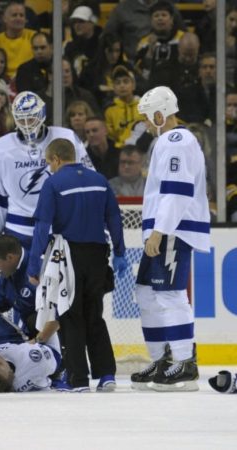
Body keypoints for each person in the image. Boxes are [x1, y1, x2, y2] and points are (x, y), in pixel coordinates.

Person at [27, 138, 128, 392]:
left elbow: (42, 227)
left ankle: (78, 379)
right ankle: (106, 375)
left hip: (68, 256)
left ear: (56, 159)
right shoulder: (100, 181)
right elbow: (114, 218)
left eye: (49, 163)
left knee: (70, 315)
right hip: (98, 255)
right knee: (94, 314)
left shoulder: (53, 184)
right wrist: (120, 251)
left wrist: (33, 265)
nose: (50, 168)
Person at [131, 86, 210, 392]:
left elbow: (176, 192)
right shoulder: (168, 141)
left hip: (172, 229)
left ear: (160, 114)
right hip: (163, 228)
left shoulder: (177, 140)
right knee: (146, 293)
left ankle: (184, 363)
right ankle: (163, 359)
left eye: (149, 118)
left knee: (170, 295)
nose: (147, 125)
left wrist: (160, 231)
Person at [0, 90, 93, 249]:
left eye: (31, 117)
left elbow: (89, 181)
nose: (27, 124)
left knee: (64, 274)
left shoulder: (67, 138)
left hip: (62, 229)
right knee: (19, 274)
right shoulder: (0, 148)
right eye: (22, 118)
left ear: (42, 114)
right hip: (18, 230)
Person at [0, 234, 39, 338]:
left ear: (10, 257)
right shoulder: (7, 271)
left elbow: (54, 314)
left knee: (33, 320)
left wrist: (37, 341)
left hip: (48, 331)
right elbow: (2, 301)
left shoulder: (38, 269)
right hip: (30, 330)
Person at [104, 64, 144, 149]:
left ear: (133, 85)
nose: (122, 86)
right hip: (119, 150)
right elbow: (110, 137)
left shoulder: (145, 106)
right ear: (114, 88)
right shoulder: (109, 110)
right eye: (118, 83)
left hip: (142, 148)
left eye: (126, 81)